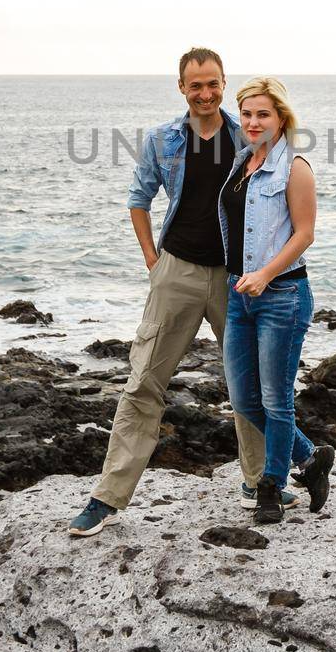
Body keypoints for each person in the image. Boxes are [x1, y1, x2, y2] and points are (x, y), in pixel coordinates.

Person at [69, 48, 280, 537]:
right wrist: (152, 259)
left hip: (236, 279)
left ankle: (259, 482)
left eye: (213, 84)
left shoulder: (247, 135)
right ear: (181, 87)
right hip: (177, 272)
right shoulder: (162, 139)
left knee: (250, 385)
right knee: (144, 381)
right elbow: (138, 200)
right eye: (195, 85)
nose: (204, 93)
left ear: (224, 84)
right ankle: (107, 497)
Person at [219, 76, 334, 524]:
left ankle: (272, 487)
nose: (252, 121)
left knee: (276, 400)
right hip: (239, 296)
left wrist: (266, 275)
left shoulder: (296, 168)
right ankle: (311, 459)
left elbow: (305, 233)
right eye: (246, 113)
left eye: (262, 113)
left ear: (281, 117)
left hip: (282, 295)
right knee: (245, 402)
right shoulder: (240, 163)